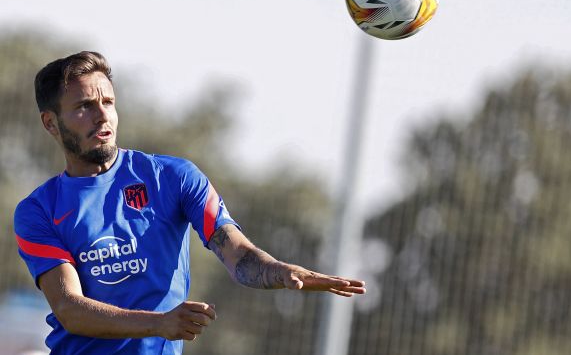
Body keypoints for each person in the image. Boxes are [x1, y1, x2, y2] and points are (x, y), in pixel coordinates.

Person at [13, 51, 366, 354]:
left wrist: (279, 271)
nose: (102, 115)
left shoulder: (173, 177)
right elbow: (70, 309)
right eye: (84, 107)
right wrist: (159, 323)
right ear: (51, 123)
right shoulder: (38, 211)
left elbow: (239, 256)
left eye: (108, 102)